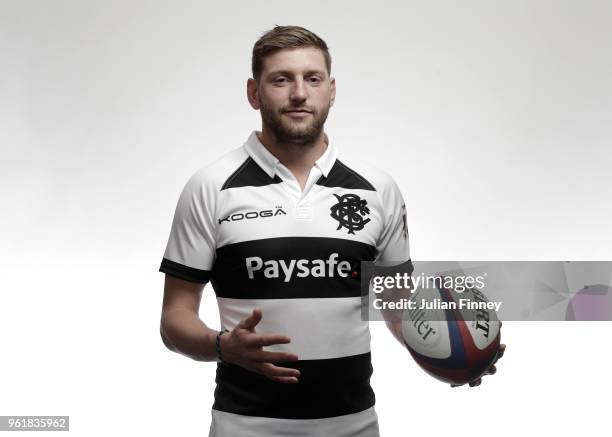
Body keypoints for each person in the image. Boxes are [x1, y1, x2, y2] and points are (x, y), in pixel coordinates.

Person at [158, 25, 503, 437]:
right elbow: (174, 318)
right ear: (254, 93)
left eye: (313, 78)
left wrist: (455, 351)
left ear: (332, 90)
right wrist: (221, 346)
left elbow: (395, 306)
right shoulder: (211, 187)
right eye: (281, 79)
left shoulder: (378, 189)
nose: (299, 93)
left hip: (353, 426)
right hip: (244, 426)